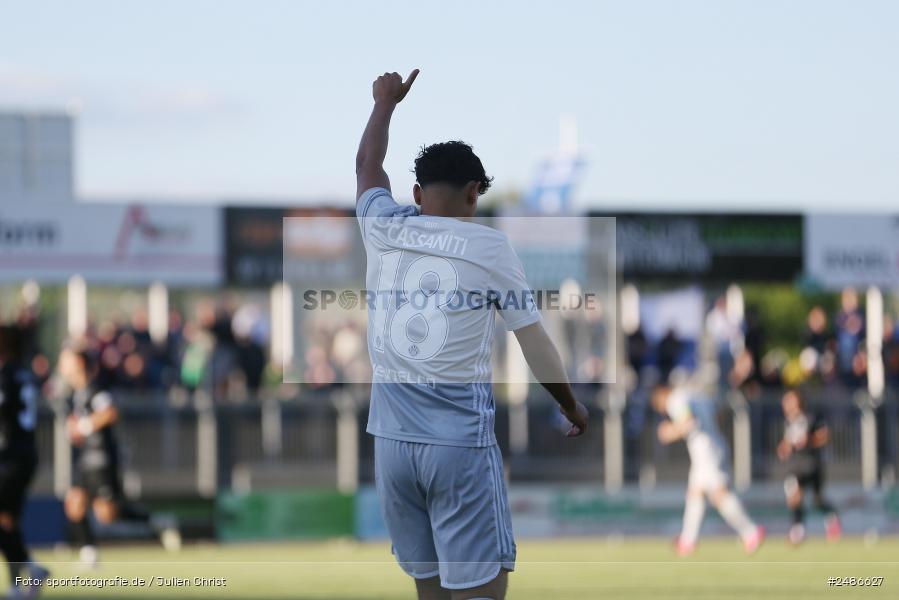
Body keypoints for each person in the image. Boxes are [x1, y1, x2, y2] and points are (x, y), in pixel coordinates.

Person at [354, 69, 589, 600]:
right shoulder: (489, 248)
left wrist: (384, 103)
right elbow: (533, 342)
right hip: (457, 446)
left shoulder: (383, 227)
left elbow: (368, 165)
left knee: (430, 593)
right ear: (472, 192)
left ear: (417, 192)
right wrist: (570, 405)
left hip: (390, 447)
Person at [58, 344, 179, 568]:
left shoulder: (96, 390)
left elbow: (110, 412)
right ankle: (89, 554)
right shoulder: (73, 395)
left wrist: (84, 426)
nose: (62, 366)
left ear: (80, 363)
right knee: (74, 503)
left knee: (107, 514)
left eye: (66, 360)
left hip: (102, 460)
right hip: (84, 459)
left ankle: (156, 521)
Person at [652, 381, 764, 556]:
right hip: (712, 446)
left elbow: (688, 422)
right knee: (695, 493)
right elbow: (716, 413)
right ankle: (687, 540)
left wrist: (669, 432)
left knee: (719, 494)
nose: (663, 411)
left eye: (660, 407)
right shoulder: (693, 394)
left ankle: (750, 531)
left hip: (705, 451)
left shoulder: (675, 400)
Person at [0, 325, 49, 598]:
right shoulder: (24, 373)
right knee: (7, 521)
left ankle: (27, 570)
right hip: (25, 454)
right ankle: (20, 582)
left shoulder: (6, 375)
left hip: (11, 457)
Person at [777, 389, 841, 544]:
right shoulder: (789, 422)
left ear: (798, 401)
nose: (785, 404)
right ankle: (798, 530)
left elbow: (825, 435)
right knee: (794, 496)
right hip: (795, 466)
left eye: (789, 400)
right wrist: (784, 448)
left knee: (817, 500)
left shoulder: (811, 417)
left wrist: (810, 441)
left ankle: (831, 518)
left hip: (812, 464)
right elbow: (788, 442)